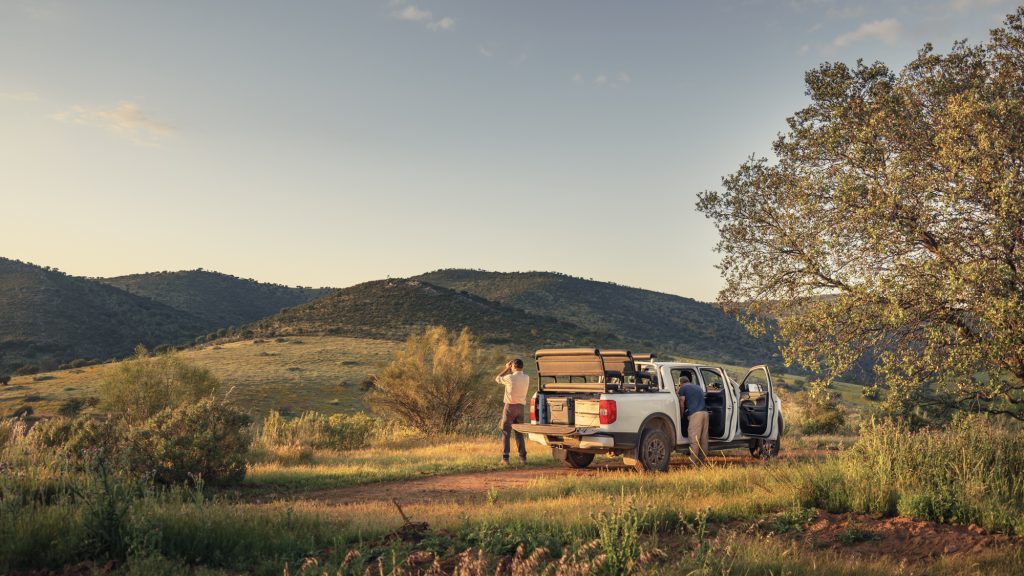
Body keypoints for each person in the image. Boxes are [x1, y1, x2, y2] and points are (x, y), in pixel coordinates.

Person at [495, 358, 529, 465]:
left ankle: (505, 458)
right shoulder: (526, 377)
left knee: (506, 432)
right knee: (519, 433)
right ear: (522, 367)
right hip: (521, 408)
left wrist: (506, 368)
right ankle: (522, 458)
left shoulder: (510, 377)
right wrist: (511, 369)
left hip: (510, 407)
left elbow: (497, 378)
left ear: (513, 366)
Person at [678, 374, 709, 466]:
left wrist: (682, 414)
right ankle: (701, 461)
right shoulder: (698, 387)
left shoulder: (683, 388)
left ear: (680, 383)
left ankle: (693, 462)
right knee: (704, 439)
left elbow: (681, 401)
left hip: (696, 415)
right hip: (705, 413)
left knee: (694, 439)